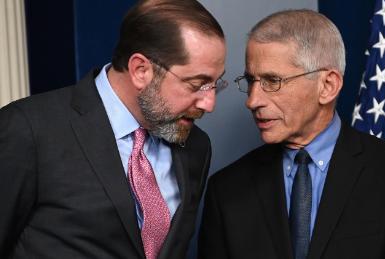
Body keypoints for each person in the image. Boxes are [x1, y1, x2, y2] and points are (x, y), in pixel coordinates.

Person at [199, 9, 385, 259]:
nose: (253, 100)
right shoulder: (226, 190)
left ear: (327, 86)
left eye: (272, 81)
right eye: (251, 81)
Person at [0, 0, 226, 258]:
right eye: (196, 84)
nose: (209, 104)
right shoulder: (28, 128)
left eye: (215, 85)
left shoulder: (196, 146)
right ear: (141, 70)